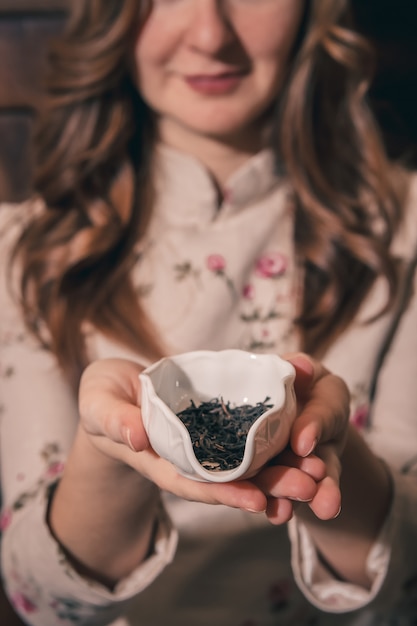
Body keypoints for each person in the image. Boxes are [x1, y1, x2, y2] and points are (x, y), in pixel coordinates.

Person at [0, 0, 416, 624]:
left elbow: (405, 586)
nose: (209, 34)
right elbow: (41, 598)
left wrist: (336, 452)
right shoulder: (26, 251)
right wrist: (111, 447)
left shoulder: (404, 233)